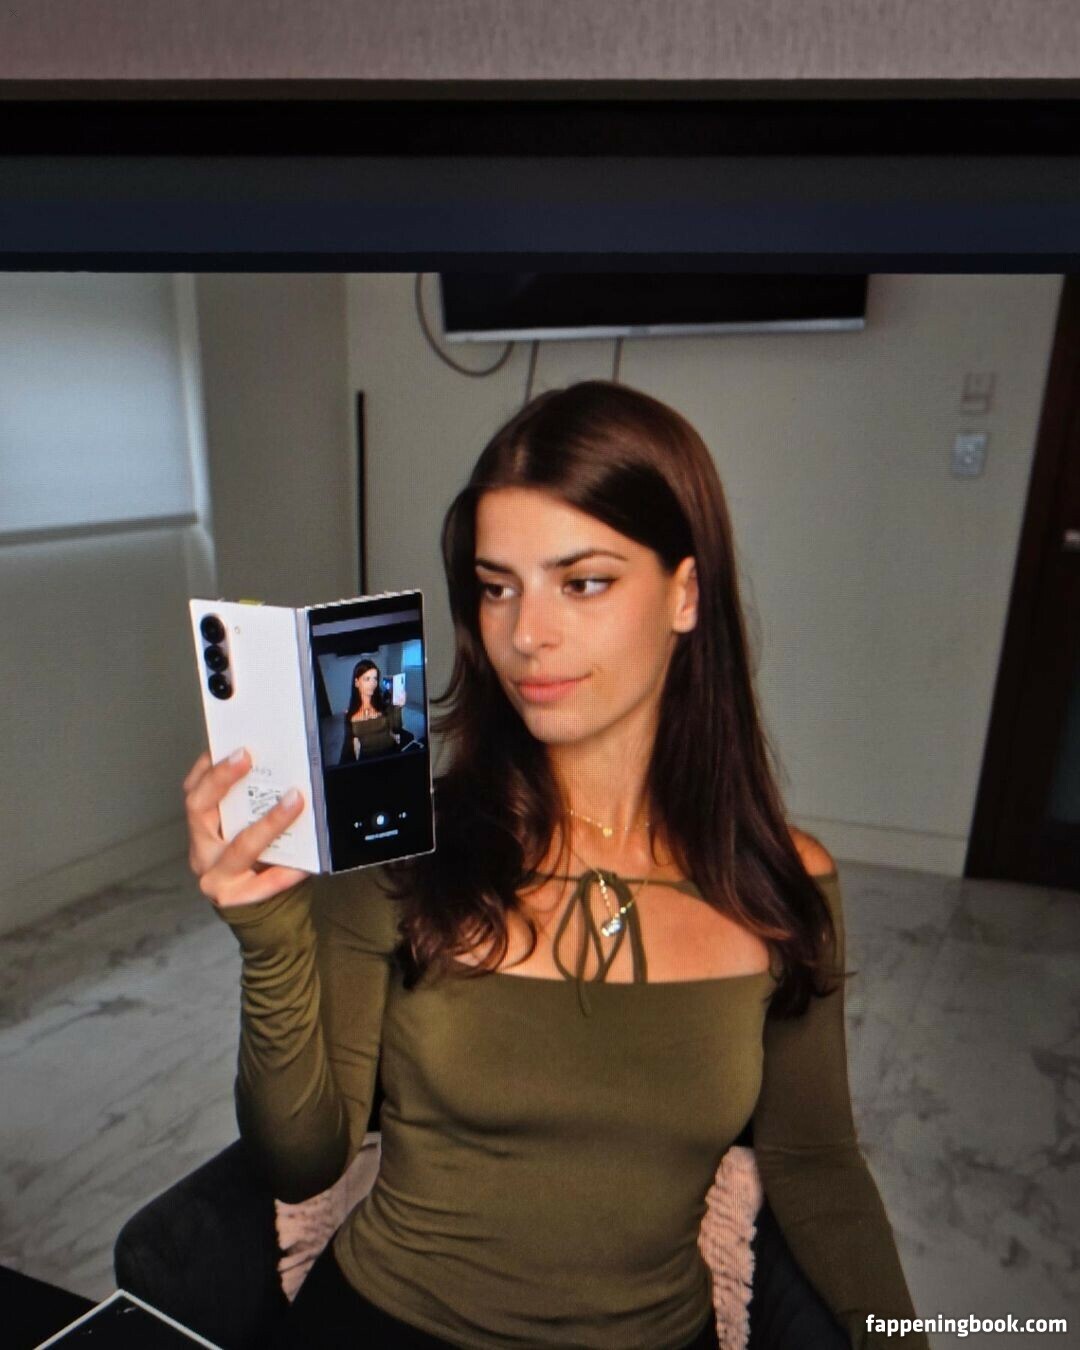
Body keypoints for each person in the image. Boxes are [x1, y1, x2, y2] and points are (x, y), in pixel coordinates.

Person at [184, 380, 929, 1349]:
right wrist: (270, 936)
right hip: (382, 1322)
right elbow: (301, 1163)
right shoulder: (407, 847)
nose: (526, 635)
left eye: (583, 582)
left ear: (686, 593)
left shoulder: (781, 883)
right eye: (498, 587)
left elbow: (817, 1161)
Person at [338, 658, 403, 762]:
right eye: (367, 679)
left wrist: (398, 707)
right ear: (356, 682)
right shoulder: (350, 715)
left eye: (375, 678)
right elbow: (347, 748)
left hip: (391, 755)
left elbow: (397, 728)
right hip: (368, 760)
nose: (372, 683)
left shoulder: (384, 706)